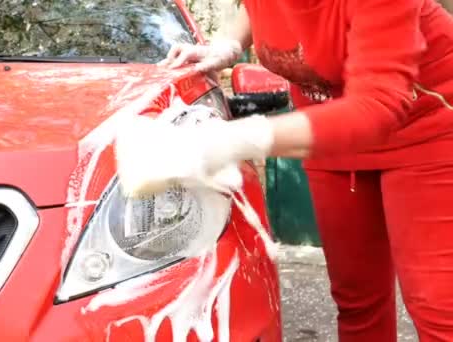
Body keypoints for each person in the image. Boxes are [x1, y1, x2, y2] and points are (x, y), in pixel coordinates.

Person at [134, 0, 453, 341]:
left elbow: (374, 109)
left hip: (427, 127)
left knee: (439, 309)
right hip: (331, 125)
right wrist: (227, 44)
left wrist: (225, 142)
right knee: (358, 300)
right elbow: (260, 9)